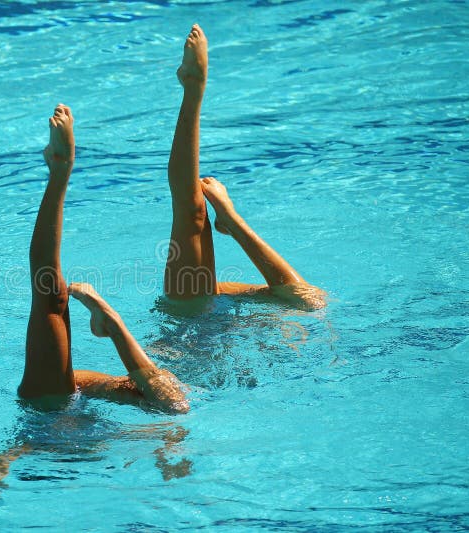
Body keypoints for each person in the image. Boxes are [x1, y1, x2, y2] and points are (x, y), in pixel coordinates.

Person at [19, 103, 188, 414]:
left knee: (51, 296)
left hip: (51, 417)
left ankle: (111, 323)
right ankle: (60, 171)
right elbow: (175, 404)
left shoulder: (88, 390)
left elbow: (174, 407)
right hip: (50, 412)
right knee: (51, 296)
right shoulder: (82, 389)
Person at [164, 24, 326, 310]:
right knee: (192, 211)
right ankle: (193, 91)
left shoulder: (244, 299)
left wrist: (231, 218)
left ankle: (193, 92)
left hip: (188, 317)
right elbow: (311, 300)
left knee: (192, 212)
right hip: (198, 316)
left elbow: (309, 303)